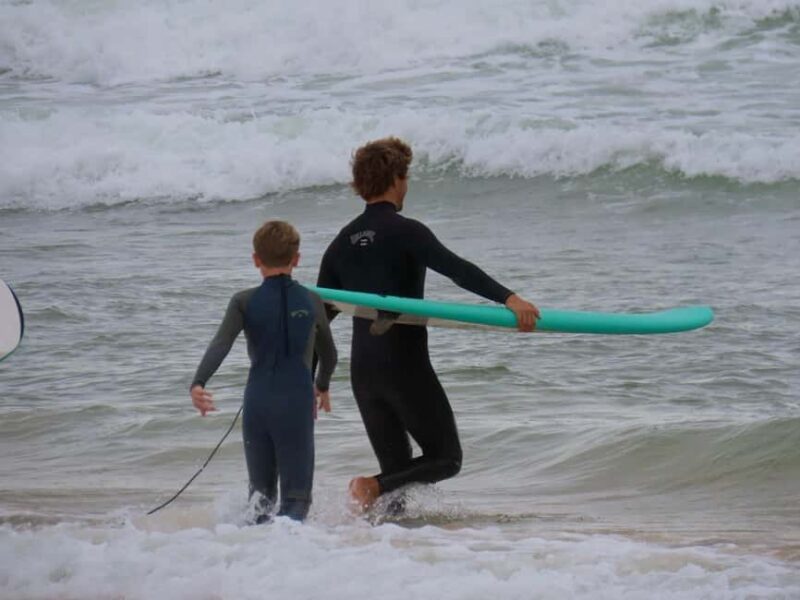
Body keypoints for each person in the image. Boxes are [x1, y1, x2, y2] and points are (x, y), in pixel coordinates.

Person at [316, 137, 539, 511]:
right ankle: (368, 485)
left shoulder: (341, 243)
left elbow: (322, 316)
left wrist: (314, 377)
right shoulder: (406, 231)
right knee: (445, 458)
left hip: (363, 374)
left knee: (396, 485)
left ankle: (385, 549)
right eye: (406, 177)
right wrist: (509, 298)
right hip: (403, 367)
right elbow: (458, 270)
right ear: (396, 179)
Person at [190, 220, 337, 522]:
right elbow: (330, 354)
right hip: (296, 405)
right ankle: (287, 561)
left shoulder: (243, 301)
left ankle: (251, 558)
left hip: (258, 404)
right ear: (296, 259)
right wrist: (321, 385)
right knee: (296, 502)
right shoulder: (312, 300)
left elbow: (221, 344)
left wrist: (198, 383)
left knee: (260, 501)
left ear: (256, 259)